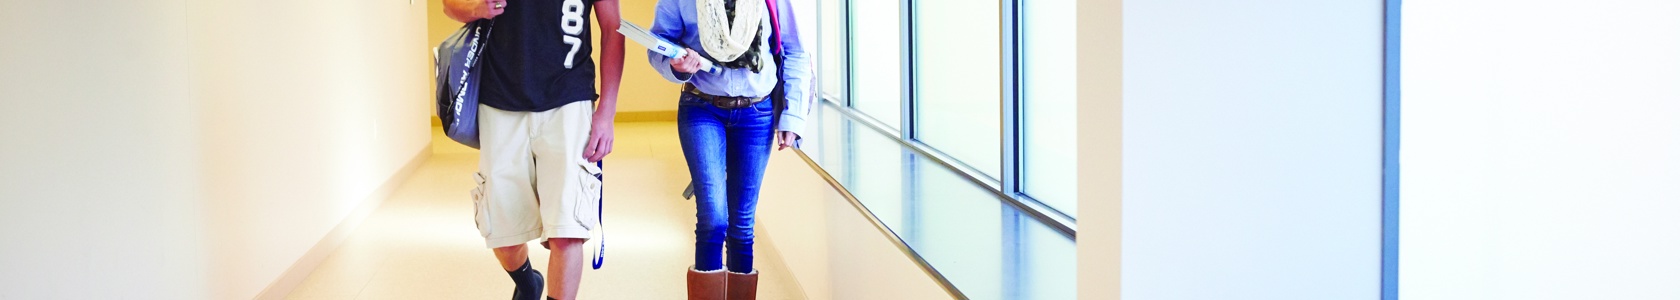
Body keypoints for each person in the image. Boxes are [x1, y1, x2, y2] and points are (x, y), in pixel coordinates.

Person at [442, 0, 624, 299]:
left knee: (567, 230)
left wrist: (607, 111)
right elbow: (450, 5)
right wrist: (477, 9)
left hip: (569, 98)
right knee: (503, 234)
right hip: (499, 99)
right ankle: (528, 282)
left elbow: (612, 27)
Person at [646, 0, 811, 298]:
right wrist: (675, 64)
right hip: (702, 108)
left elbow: (795, 50)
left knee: (742, 224)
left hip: (757, 113)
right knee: (713, 218)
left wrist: (794, 115)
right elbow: (658, 45)